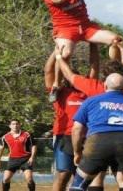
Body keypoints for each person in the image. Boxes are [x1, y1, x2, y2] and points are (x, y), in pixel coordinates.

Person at [58, 40, 123, 191]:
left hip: (100, 139)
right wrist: (122, 49)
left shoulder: (96, 88)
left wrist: (59, 58)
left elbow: (69, 75)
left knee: (97, 177)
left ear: (105, 78)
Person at [43, 0, 122, 100]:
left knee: (116, 40)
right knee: (64, 53)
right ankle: (56, 85)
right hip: (65, 29)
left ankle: (115, 73)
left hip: (85, 27)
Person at [43, 50, 90, 191]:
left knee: (84, 176)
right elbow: (48, 71)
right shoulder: (58, 93)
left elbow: (95, 69)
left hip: (86, 138)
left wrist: (93, 46)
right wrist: (55, 52)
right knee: (63, 173)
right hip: (64, 136)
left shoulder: (86, 92)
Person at [0, 120, 37, 191]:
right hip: (13, 160)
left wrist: (32, 157)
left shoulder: (27, 135)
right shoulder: (5, 137)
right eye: (13, 124)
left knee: (29, 179)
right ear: (10, 126)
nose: (15, 125)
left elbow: (34, 146)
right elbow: (0, 149)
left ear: (20, 125)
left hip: (25, 159)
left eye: (17, 124)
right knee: (5, 179)